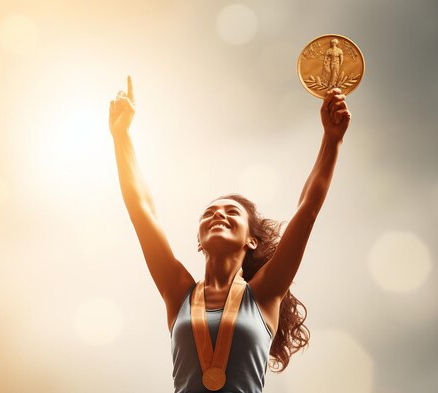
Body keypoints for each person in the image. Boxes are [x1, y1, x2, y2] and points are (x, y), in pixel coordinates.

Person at [108, 76, 351, 393]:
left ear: (252, 240)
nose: (217, 215)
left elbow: (308, 209)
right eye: (208, 213)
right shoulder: (178, 291)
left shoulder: (264, 294)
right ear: (200, 241)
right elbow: (141, 210)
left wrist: (332, 139)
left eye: (231, 212)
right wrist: (120, 136)